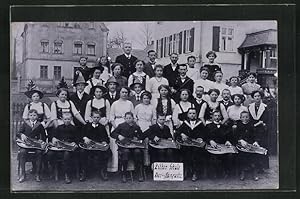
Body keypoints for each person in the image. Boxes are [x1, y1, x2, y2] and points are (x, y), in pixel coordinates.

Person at [111, 112, 145, 182]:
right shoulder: (121, 126)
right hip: (124, 146)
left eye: (130, 118)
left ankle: (139, 173)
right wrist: (118, 136)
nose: (128, 119)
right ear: (124, 118)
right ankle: (124, 174)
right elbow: (112, 133)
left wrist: (138, 138)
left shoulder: (136, 127)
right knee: (126, 152)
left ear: (133, 118)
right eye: (127, 118)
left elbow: (142, 136)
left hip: (134, 146)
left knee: (138, 152)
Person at [175, 108, 207, 181]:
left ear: (196, 114)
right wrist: (182, 134)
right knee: (185, 154)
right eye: (190, 113)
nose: (192, 115)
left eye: (193, 113)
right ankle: (185, 171)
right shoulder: (185, 123)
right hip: (187, 145)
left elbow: (205, 133)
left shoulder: (200, 124)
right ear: (187, 115)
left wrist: (201, 138)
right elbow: (177, 132)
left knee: (196, 154)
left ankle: (195, 173)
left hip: (196, 146)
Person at [47, 113, 80, 184]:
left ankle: (66, 174)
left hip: (69, 148)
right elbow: (53, 136)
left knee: (66, 154)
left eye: (68, 119)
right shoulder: (59, 127)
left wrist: (74, 143)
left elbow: (77, 139)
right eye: (65, 119)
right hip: (59, 147)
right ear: (62, 119)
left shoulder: (74, 128)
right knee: (50, 153)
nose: (67, 120)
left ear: (71, 119)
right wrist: (54, 139)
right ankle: (53, 171)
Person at [79, 111, 111, 181]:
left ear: (100, 118)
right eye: (94, 117)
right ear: (91, 117)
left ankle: (103, 171)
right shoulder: (86, 126)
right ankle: (83, 172)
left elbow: (105, 138)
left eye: (98, 117)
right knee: (82, 152)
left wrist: (104, 141)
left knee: (105, 152)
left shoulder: (102, 127)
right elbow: (81, 135)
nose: (96, 119)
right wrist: (85, 138)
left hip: (97, 147)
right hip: (88, 146)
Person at [109, 87, 135, 172]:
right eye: (122, 92)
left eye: (126, 92)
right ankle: (115, 168)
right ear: (119, 93)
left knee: (127, 147)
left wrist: (129, 126)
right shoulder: (115, 103)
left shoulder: (130, 103)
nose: (124, 94)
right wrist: (117, 128)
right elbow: (111, 117)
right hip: (117, 125)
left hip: (127, 125)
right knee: (115, 147)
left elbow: (133, 116)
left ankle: (126, 168)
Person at [17, 109, 46, 183]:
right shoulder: (25, 124)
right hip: (26, 144)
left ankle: (37, 174)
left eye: (34, 115)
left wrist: (41, 140)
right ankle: (23, 174)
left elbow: (44, 136)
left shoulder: (40, 125)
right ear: (28, 116)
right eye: (31, 115)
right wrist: (22, 134)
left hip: (36, 144)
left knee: (39, 152)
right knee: (22, 152)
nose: (32, 117)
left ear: (37, 116)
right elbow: (18, 133)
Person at [206, 110, 234, 179]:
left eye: (218, 116)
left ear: (221, 117)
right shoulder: (208, 126)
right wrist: (210, 140)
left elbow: (229, 137)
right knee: (213, 157)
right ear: (212, 117)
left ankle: (225, 172)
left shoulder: (225, 127)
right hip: (212, 146)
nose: (217, 117)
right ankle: (214, 173)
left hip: (222, 147)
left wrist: (227, 141)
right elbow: (205, 136)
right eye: (215, 116)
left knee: (229, 155)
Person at [235, 111, 260, 181]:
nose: (245, 118)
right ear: (240, 118)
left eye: (246, 117)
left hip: (250, 144)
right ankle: (242, 172)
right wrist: (240, 140)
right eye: (243, 117)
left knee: (254, 155)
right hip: (241, 144)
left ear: (249, 118)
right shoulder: (239, 126)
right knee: (242, 156)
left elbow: (255, 135)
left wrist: (255, 141)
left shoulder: (251, 125)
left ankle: (255, 172)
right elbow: (236, 136)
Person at [248, 90, 269, 171]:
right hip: (252, 128)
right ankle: (253, 165)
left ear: (261, 97)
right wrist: (252, 126)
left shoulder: (265, 107)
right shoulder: (250, 106)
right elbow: (249, 118)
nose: (257, 98)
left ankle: (262, 166)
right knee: (253, 145)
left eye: (258, 96)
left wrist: (257, 124)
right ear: (253, 97)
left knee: (262, 145)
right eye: (255, 96)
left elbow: (265, 119)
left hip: (261, 128)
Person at [134, 91, 156, 167]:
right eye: (144, 98)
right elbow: (135, 118)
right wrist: (137, 126)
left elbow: (154, 118)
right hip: (140, 126)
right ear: (142, 99)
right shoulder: (138, 107)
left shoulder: (152, 107)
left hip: (149, 126)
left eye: (148, 98)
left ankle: (147, 164)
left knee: (148, 145)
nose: (146, 100)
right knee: (140, 145)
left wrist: (152, 128)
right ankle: (139, 166)